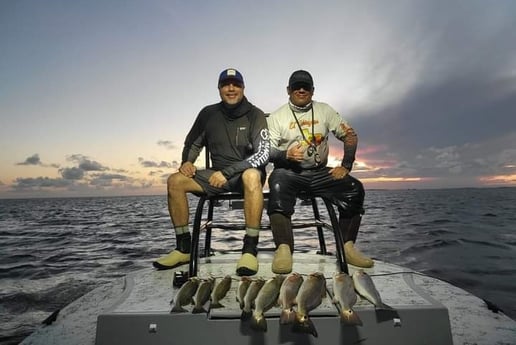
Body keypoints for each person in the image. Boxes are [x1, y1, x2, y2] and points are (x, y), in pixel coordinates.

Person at [153, 68, 270, 276]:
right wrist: (186, 162)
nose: (231, 88)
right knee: (175, 181)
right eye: (226, 84)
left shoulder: (256, 114)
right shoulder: (208, 113)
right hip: (215, 176)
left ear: (243, 88)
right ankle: (184, 248)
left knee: (252, 175)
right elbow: (193, 142)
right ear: (219, 89)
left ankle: (250, 249)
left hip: (245, 175)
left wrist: (228, 172)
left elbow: (263, 154)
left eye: (236, 84)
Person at [267, 70, 373, 274]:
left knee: (354, 188)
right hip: (289, 172)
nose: (301, 90)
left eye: (305, 86)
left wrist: (346, 165)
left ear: (312, 91)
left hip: (319, 172)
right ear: (288, 90)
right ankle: (283, 248)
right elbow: (267, 151)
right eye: (296, 86)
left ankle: (347, 246)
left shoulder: (325, 110)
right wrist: (285, 155)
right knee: (277, 182)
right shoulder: (276, 117)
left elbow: (350, 135)